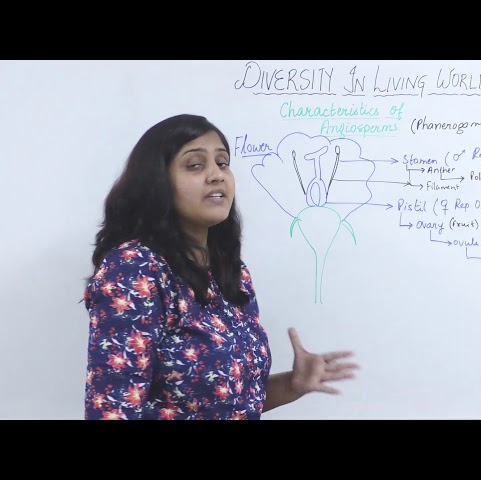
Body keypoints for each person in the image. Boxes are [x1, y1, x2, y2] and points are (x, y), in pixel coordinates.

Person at [83, 113, 359, 420]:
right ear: (157, 182)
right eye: (195, 165)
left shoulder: (231, 272)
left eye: (223, 163)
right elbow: (112, 410)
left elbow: (230, 402)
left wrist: (292, 385)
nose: (217, 175)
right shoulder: (134, 268)